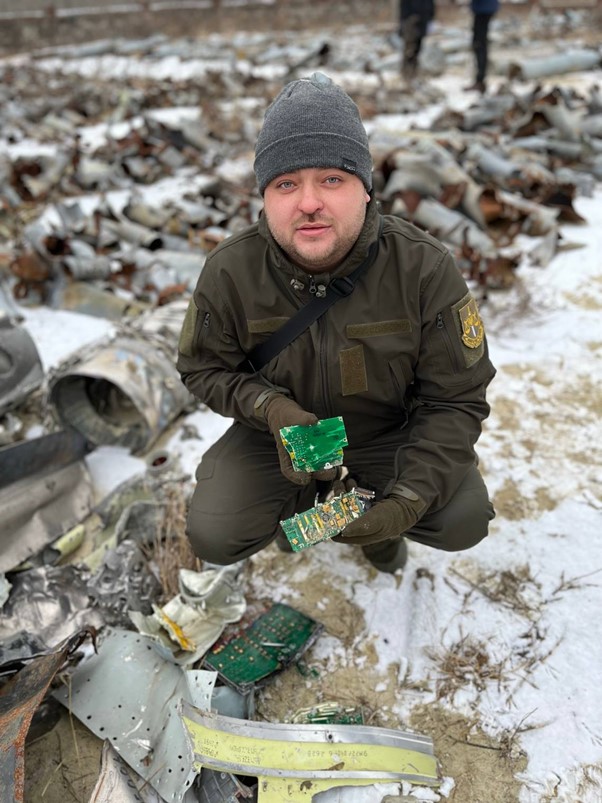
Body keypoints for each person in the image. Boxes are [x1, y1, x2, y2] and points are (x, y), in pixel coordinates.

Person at [177, 72, 496, 574]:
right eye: (286, 183)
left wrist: (408, 500)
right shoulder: (229, 270)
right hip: (282, 435)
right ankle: (311, 513)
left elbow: (456, 399)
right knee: (216, 533)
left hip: (388, 431)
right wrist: (271, 409)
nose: (308, 203)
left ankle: (372, 526)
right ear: (264, 196)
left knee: (462, 517)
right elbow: (203, 370)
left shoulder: (422, 266)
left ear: (365, 189)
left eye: (332, 179)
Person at [466, 0, 500, 94]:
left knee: (479, 44)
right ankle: (480, 80)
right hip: (484, 7)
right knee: (479, 43)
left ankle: (480, 81)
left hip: (483, 8)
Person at [399, 0, 435, 84]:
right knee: (409, 50)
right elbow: (404, 7)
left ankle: (414, 74)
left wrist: (430, 18)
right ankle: (407, 75)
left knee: (417, 49)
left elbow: (430, 5)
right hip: (410, 21)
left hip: (422, 21)